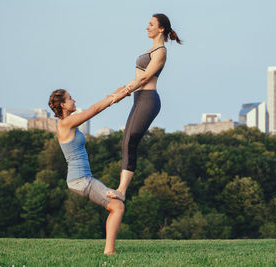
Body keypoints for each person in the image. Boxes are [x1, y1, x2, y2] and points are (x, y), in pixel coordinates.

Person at [106, 13, 182, 202]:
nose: (147, 27)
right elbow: (139, 78)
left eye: (151, 24)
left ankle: (122, 191)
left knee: (130, 141)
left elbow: (145, 77)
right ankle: (121, 189)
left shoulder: (161, 52)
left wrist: (122, 93)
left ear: (161, 28)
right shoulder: (152, 49)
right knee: (126, 141)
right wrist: (124, 90)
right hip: (139, 98)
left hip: (148, 99)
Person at [48, 87, 129, 255]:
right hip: (80, 179)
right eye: (70, 98)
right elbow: (94, 110)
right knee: (117, 206)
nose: (74, 101)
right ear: (62, 104)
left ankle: (109, 250)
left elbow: (104, 100)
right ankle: (109, 251)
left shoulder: (68, 122)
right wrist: (115, 98)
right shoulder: (65, 123)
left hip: (83, 178)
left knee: (117, 205)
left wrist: (124, 90)